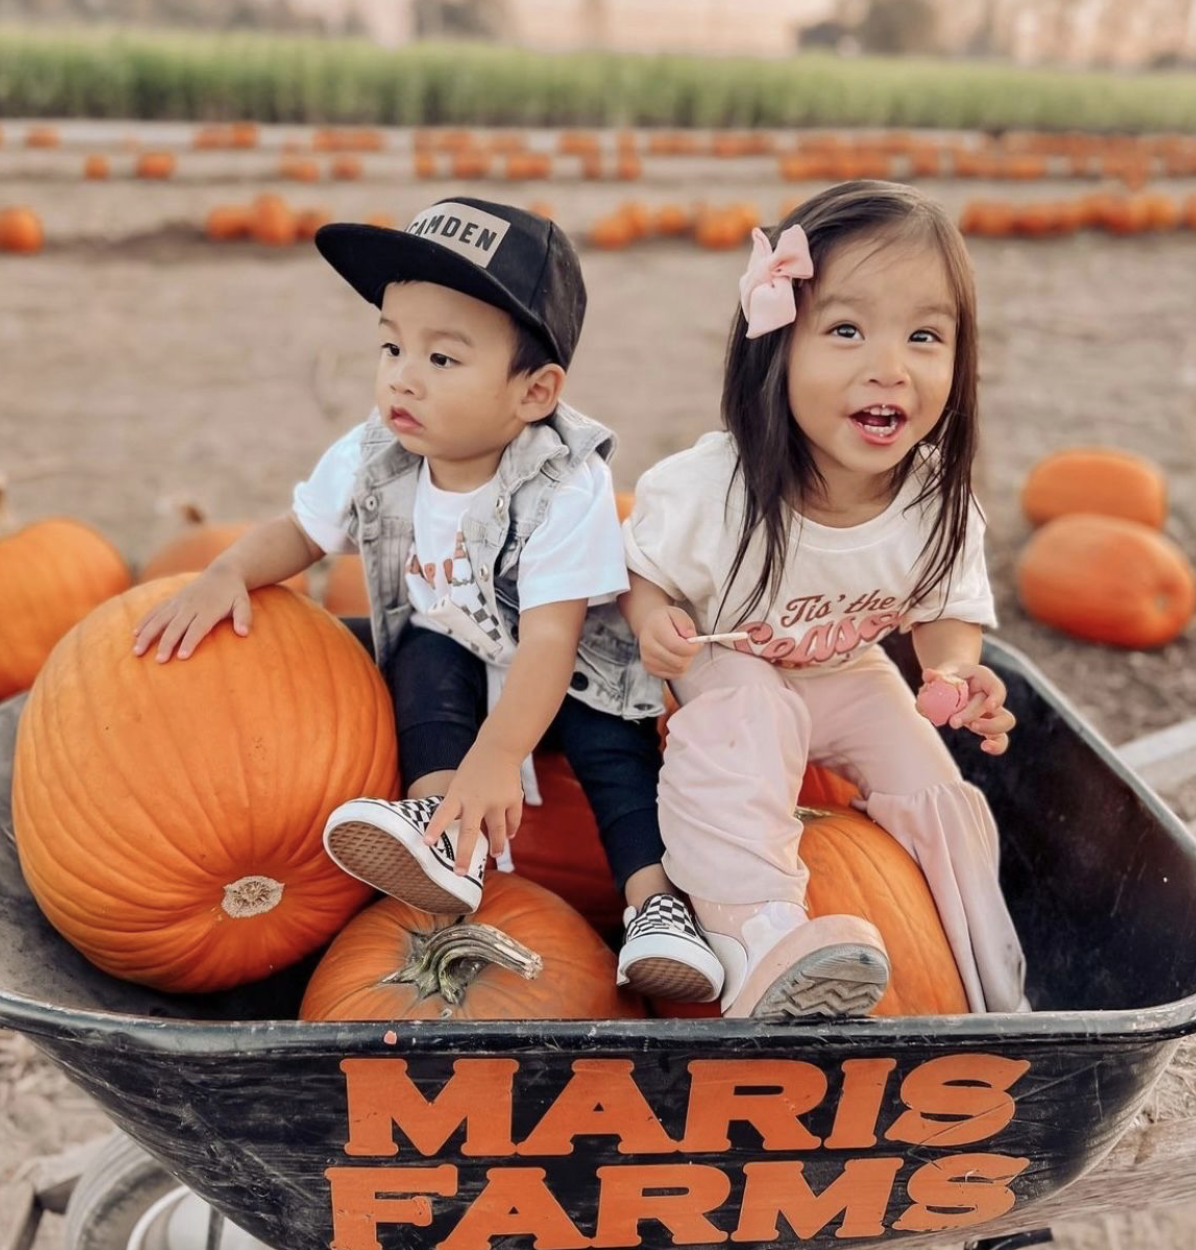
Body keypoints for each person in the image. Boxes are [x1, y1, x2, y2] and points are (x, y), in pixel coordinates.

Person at [131, 196, 723, 1003]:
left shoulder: (565, 482)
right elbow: (303, 533)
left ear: (534, 392)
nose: (401, 376)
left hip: (572, 663)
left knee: (612, 756)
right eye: (390, 345)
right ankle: (443, 837)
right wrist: (227, 572)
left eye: (441, 360)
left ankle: (657, 905)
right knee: (421, 663)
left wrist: (498, 759)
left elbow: (550, 644)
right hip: (459, 639)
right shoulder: (377, 451)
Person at [620, 180, 1027, 1020]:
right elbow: (641, 566)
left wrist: (954, 671)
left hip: (847, 666)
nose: (890, 366)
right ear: (779, 347)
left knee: (933, 782)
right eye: (846, 331)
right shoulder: (711, 491)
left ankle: (982, 979)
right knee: (750, 721)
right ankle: (755, 933)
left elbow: (947, 608)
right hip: (729, 657)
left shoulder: (937, 503)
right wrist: (650, 616)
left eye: (925, 336)